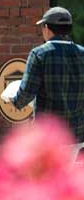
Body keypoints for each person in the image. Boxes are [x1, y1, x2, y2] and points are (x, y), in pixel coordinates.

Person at [11, 7, 84, 144]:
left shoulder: (39, 54)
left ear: (46, 28)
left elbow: (26, 94)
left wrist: (14, 101)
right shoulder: (82, 53)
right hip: (78, 135)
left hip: (49, 136)